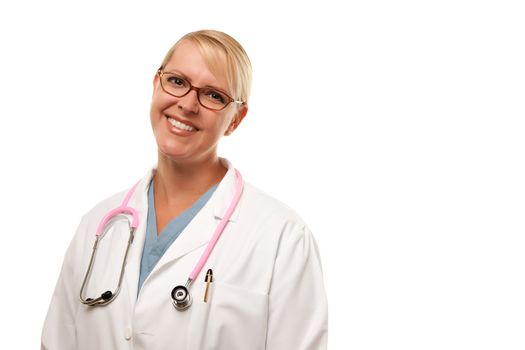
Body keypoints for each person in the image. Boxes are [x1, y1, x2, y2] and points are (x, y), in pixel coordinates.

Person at [41, 29, 328, 350]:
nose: (188, 105)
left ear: (236, 119)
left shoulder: (283, 237)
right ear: (156, 84)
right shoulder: (98, 225)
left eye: (213, 95)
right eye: (177, 81)